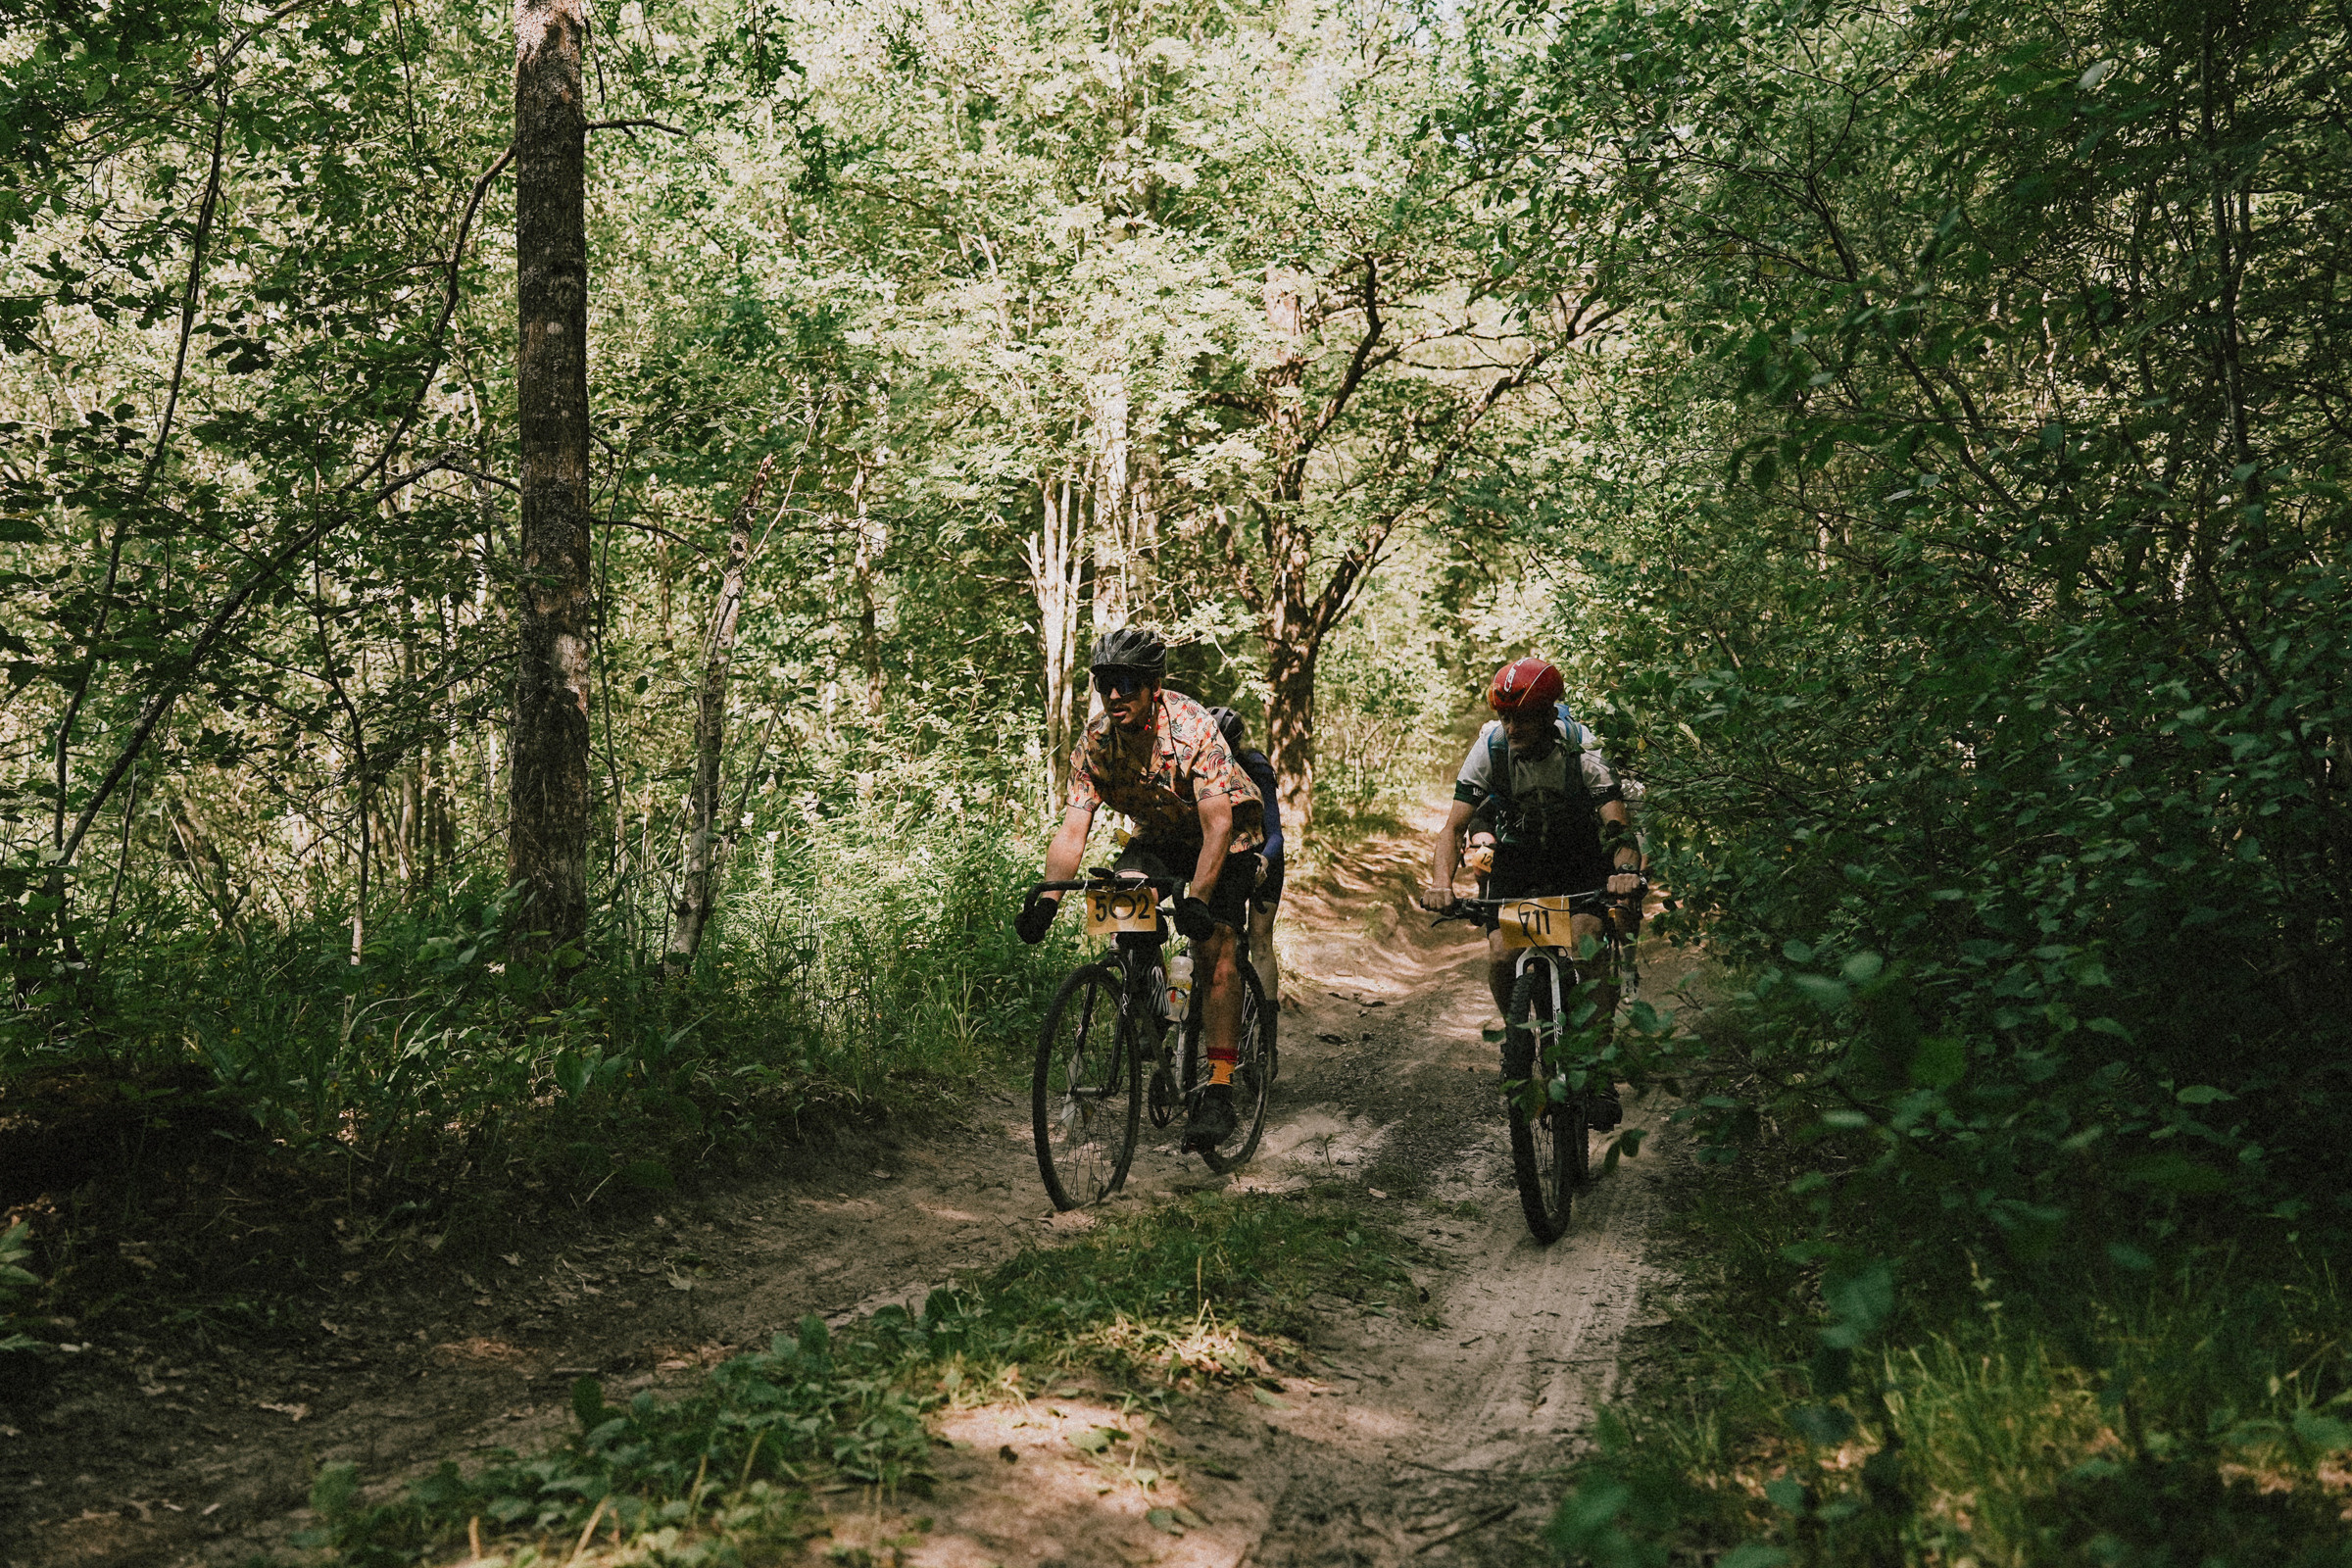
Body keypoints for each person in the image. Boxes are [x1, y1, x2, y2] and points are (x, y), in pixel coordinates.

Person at [1014, 627, 1265, 1152]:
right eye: (1105, 682)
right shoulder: (1098, 741)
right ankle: (1149, 997)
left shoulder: (1192, 727)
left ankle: (1219, 1090)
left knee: (1215, 949)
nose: (1114, 695)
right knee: (1120, 902)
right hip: (1160, 836)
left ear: (1153, 686)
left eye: (1126, 683)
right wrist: (1048, 898)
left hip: (1227, 839)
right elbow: (1073, 829)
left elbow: (1218, 826)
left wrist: (1196, 900)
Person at [1418, 657, 1645, 1128]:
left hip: (1579, 854)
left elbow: (1619, 832)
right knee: (1502, 953)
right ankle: (1519, 1039)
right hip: (1520, 857)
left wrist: (1623, 875)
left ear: (1547, 714)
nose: (1511, 726)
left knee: (1587, 943)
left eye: (1521, 717)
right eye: (1505, 716)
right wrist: (1442, 884)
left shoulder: (1586, 751)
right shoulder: (1491, 748)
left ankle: (1597, 1064)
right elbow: (1453, 827)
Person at [1205, 706, 1284, 1022]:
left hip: (1265, 854)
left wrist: (1265, 859)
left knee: (1260, 942)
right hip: (1229, 854)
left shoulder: (1255, 768)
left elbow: (1275, 833)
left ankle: (1267, 1031)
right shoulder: (1202, 766)